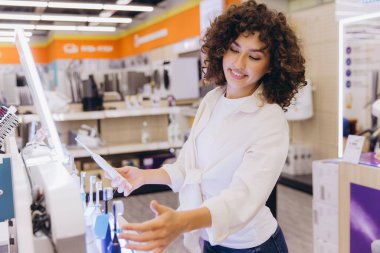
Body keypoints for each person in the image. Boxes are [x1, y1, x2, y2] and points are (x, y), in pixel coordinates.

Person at [110, 1, 306, 252]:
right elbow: (189, 167)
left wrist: (181, 222)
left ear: (271, 66)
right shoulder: (212, 100)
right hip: (210, 238)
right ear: (221, 49)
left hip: (252, 245)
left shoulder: (269, 119)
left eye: (254, 56)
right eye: (234, 50)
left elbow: (241, 200)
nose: (239, 63)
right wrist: (144, 176)